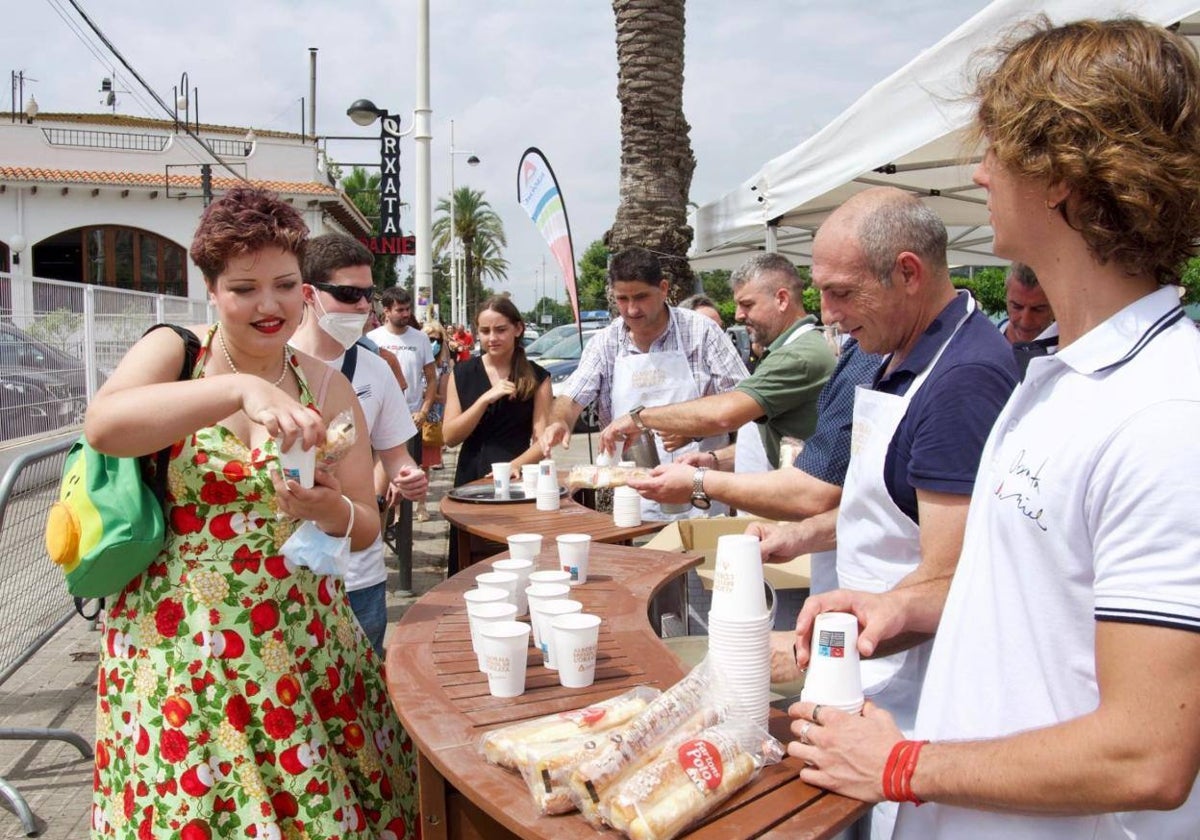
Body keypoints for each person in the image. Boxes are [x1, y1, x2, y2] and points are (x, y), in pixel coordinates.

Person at [788, 19, 1200, 840]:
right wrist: (905, 607)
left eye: (997, 150)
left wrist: (902, 766)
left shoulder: (1165, 413)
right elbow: (1033, 598)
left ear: (1062, 176)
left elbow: (1147, 755)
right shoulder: (1059, 377)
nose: (978, 172)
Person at [85, 187, 418, 837]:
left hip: (300, 640)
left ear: (305, 289)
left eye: (285, 285)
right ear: (210, 289)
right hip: (178, 645)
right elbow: (105, 426)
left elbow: (367, 524)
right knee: (195, 813)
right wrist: (237, 388)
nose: (269, 306)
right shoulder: (176, 352)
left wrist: (328, 510)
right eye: (244, 289)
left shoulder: (328, 384)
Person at [780, 186, 1018, 838]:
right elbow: (895, 508)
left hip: (904, 710)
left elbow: (950, 580)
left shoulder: (961, 381)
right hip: (856, 674)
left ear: (908, 273)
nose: (827, 314)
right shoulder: (892, 353)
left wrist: (800, 654)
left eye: (840, 291)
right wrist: (804, 533)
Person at [291, 233, 428, 654]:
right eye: (349, 294)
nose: (363, 307)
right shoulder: (274, 363)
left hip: (358, 571)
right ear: (309, 294)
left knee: (361, 692)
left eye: (368, 295)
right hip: (285, 570)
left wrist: (408, 475)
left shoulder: (375, 368)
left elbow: (395, 452)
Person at [540, 246, 748, 520]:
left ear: (663, 289)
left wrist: (693, 429)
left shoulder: (701, 332)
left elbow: (744, 405)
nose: (632, 309)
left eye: (641, 297)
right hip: (633, 503)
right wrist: (559, 421)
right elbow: (571, 397)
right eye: (622, 299)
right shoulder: (605, 342)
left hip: (702, 495)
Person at [600, 253, 835, 471]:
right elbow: (772, 443)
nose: (738, 315)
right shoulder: (786, 350)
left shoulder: (797, 356)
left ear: (782, 299)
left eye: (747, 304)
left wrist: (639, 418)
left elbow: (725, 414)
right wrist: (714, 460)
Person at [443, 296, 551, 573]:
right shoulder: (463, 373)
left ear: (518, 329)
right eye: (485, 331)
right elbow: (450, 436)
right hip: (471, 479)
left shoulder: (537, 377)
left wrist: (515, 465)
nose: (492, 338)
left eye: (500, 329)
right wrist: (483, 401)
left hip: (517, 482)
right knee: (469, 564)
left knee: (516, 560)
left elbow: (543, 442)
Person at [366, 287, 437, 517]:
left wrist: (425, 410)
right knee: (383, 475)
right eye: (400, 310)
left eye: (408, 309)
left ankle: (419, 508)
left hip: (412, 417)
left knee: (413, 469)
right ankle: (389, 519)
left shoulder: (420, 338)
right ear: (386, 311)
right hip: (381, 419)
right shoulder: (373, 339)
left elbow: (431, 378)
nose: (405, 314)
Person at [420, 320, 453, 474]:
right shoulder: (413, 361)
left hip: (430, 422)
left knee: (424, 466)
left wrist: (427, 394)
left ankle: (419, 499)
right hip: (407, 416)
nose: (433, 344)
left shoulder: (443, 366)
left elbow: (443, 397)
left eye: (437, 340)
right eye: (429, 339)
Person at [998, 261, 1054, 343]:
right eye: (1017, 307)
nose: (1025, 322)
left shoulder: (1071, 352)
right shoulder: (981, 344)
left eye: (1038, 309)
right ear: (1006, 298)